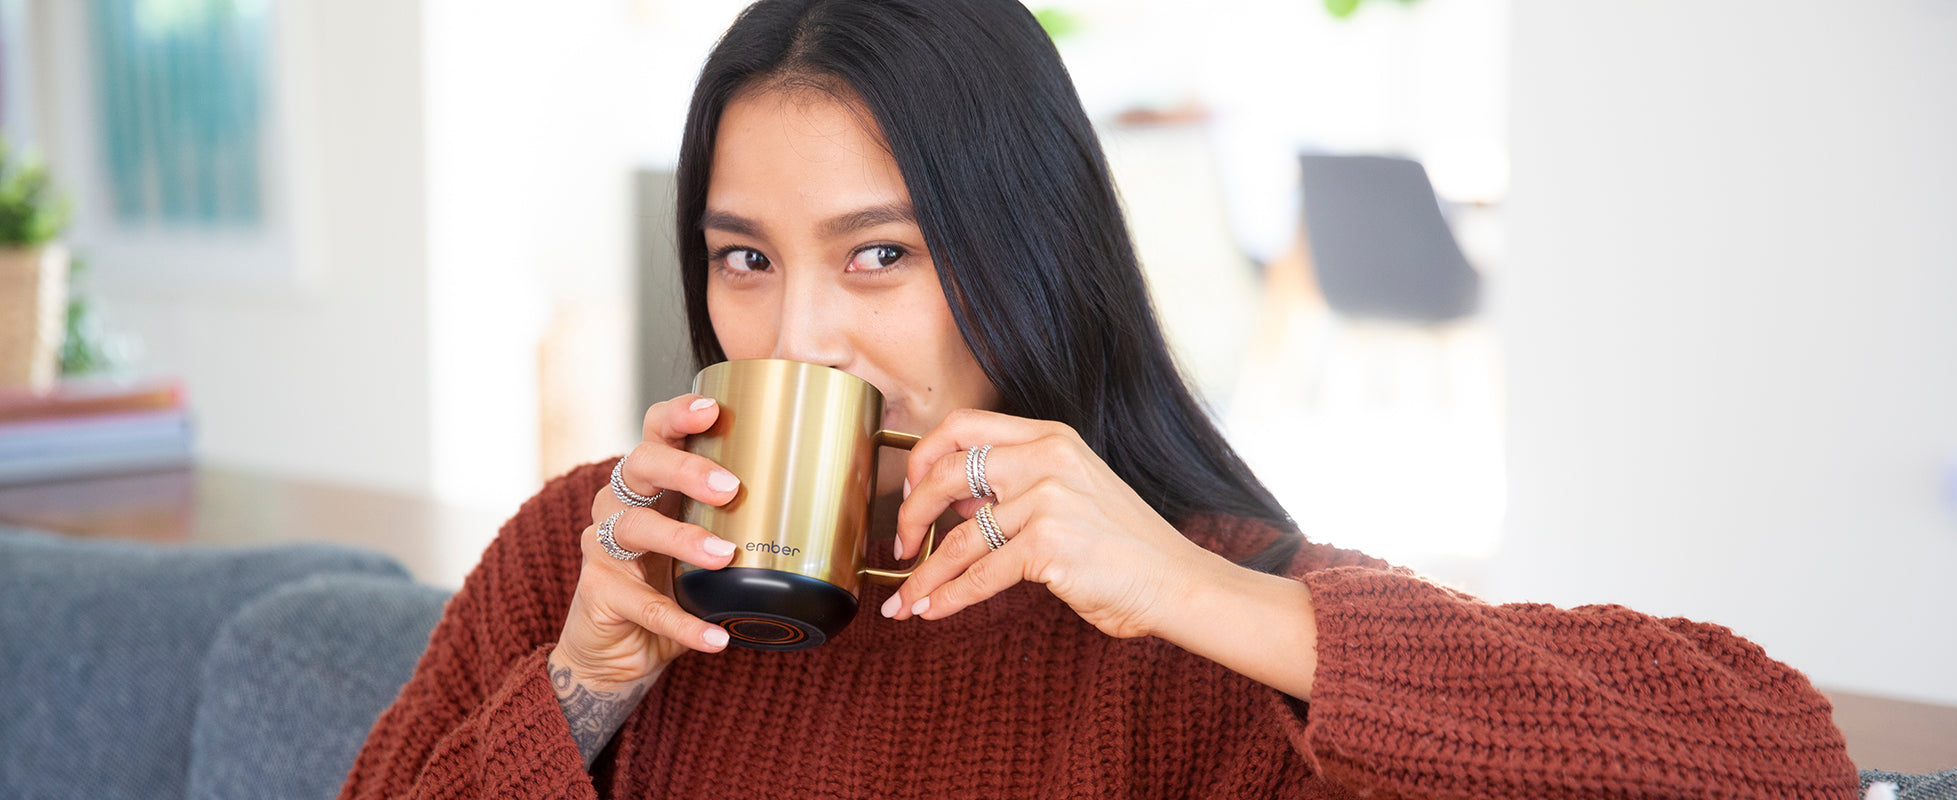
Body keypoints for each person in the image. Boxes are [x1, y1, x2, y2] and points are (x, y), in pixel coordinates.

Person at [339, 1, 1859, 797]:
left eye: (881, 254)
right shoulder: (591, 553)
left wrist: (1206, 596)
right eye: (744, 256)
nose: (799, 335)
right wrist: (582, 689)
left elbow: (1782, 761)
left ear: (1022, 250)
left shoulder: (1174, 623)